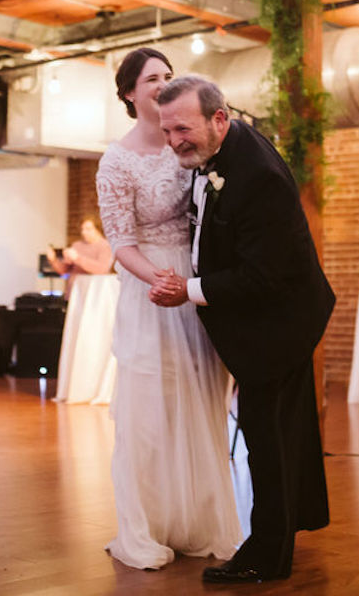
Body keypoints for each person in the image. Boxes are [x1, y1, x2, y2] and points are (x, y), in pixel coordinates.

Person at [152, 75, 334, 584]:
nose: (173, 142)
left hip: (280, 322)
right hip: (274, 314)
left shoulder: (257, 176)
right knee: (287, 431)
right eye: (167, 132)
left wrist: (186, 290)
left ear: (218, 118)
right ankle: (291, 527)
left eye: (182, 129)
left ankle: (265, 558)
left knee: (266, 438)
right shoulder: (217, 151)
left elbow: (262, 276)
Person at [94, 49, 241, 571]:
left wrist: (194, 283)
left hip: (196, 283)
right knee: (150, 413)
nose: (161, 85)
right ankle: (145, 527)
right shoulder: (117, 159)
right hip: (152, 289)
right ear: (130, 94)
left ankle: (200, 522)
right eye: (151, 79)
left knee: (199, 402)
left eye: (167, 77)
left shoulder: (191, 141)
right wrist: (161, 280)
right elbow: (121, 241)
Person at [45, 216, 113, 297]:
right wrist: (53, 260)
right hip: (74, 293)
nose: (84, 232)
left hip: (94, 295)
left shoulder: (105, 246)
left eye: (88, 229)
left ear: (98, 229)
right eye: (82, 229)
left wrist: (77, 258)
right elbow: (63, 270)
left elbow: (102, 269)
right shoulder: (76, 245)